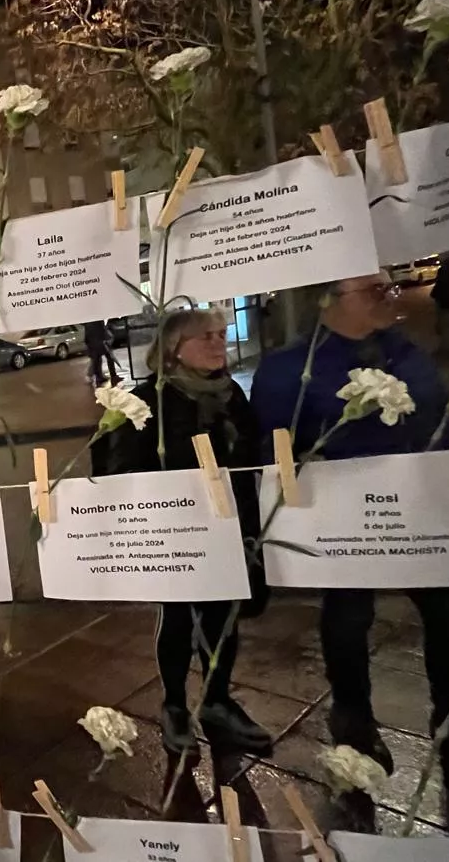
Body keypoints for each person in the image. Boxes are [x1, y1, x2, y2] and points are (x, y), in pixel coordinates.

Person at [253, 272, 449, 818]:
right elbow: (276, 447)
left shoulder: (402, 350)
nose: (391, 298)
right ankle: (352, 719)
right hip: (345, 521)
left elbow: (435, 418)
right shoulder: (288, 369)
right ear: (328, 301)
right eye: (374, 290)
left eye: (392, 287)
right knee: (347, 618)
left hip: (419, 511)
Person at [99, 309, 271, 756]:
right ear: (174, 350)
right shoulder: (149, 402)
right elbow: (120, 473)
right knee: (178, 618)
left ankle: (217, 700)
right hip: (176, 532)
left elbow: (252, 452)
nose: (219, 343)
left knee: (223, 620)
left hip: (228, 526)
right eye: (205, 337)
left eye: (221, 334)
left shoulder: (229, 392)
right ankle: (174, 705)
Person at [85, 319, 121, 387]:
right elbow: (100, 330)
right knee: (99, 359)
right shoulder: (95, 321)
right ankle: (97, 377)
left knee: (98, 359)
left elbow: (88, 334)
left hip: (97, 342)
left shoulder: (92, 321)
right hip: (99, 342)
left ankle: (98, 377)